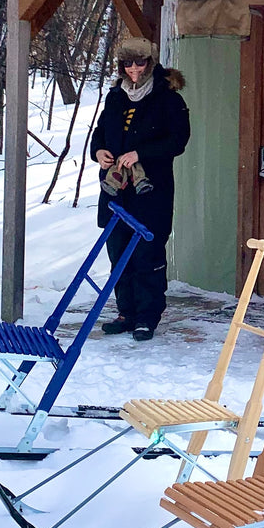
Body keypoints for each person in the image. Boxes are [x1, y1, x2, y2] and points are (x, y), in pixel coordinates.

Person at [91, 36, 190, 341]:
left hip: (151, 192)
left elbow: (178, 141)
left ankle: (147, 316)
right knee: (118, 251)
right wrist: (99, 152)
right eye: (128, 63)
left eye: (140, 62)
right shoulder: (115, 97)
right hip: (116, 189)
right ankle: (126, 312)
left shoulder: (168, 98)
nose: (134, 69)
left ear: (151, 63)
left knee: (147, 253)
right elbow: (100, 131)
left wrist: (141, 153)